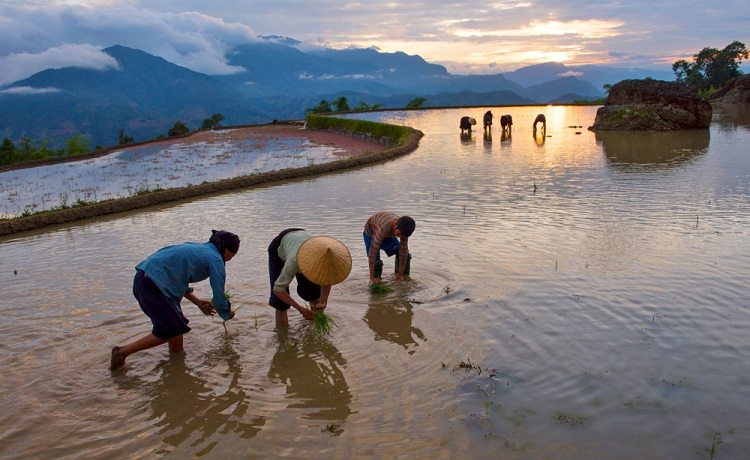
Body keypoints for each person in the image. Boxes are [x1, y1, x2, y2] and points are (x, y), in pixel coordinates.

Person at [110, 230, 240, 370]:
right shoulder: (215, 259)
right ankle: (121, 352)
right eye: (232, 255)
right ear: (226, 249)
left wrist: (197, 302)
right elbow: (219, 297)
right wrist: (227, 312)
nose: (230, 259)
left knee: (177, 326)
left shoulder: (199, 248)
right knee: (172, 329)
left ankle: (176, 366)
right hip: (153, 285)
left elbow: (175, 275)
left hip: (146, 279)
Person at [268, 229, 352, 327]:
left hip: (303, 240)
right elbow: (278, 289)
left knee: (315, 297)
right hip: (280, 248)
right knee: (281, 305)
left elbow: (326, 279)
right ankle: (282, 339)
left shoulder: (327, 257)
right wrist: (301, 309)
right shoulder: (294, 261)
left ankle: (315, 335)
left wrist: (323, 301)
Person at [363, 211, 416, 284]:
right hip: (370, 234)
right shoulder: (383, 228)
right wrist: (371, 277)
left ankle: (402, 276)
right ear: (395, 225)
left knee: (405, 255)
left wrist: (400, 275)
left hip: (389, 234)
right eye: (398, 234)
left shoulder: (403, 230)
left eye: (402, 236)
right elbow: (372, 253)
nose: (399, 237)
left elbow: (403, 252)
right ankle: (376, 282)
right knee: (376, 263)